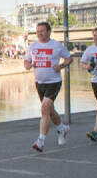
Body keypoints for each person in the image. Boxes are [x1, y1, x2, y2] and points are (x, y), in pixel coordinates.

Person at [23, 21, 72, 152]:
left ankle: (40, 141)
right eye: (38, 31)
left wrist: (61, 66)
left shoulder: (57, 46)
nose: (39, 33)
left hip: (54, 82)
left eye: (42, 31)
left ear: (49, 32)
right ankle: (62, 129)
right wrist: (27, 65)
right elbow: (26, 60)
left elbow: (69, 58)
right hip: (39, 82)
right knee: (49, 111)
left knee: (44, 108)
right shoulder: (33, 46)